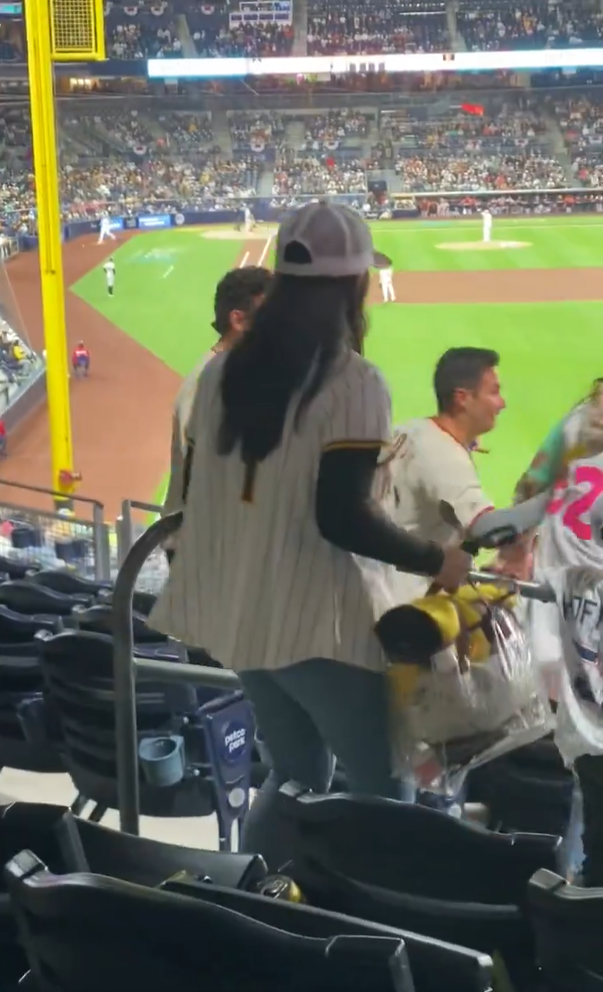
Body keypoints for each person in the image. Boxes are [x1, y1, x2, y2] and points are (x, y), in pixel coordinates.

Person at [149, 201, 472, 869]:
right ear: (350, 284)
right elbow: (341, 517)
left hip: (238, 612)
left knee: (295, 775)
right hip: (316, 623)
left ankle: (249, 897)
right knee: (385, 790)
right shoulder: (352, 380)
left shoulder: (218, 373)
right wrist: (435, 558)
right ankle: (372, 933)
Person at [379, 347, 505, 605]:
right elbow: (489, 528)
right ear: (462, 398)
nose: (502, 403)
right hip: (408, 601)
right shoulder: (446, 457)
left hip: (378, 580)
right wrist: (548, 500)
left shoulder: (415, 429)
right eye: (493, 392)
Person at [162, 265, 272, 522]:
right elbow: (203, 480)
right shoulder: (205, 383)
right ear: (238, 320)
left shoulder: (241, 374)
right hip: (201, 544)